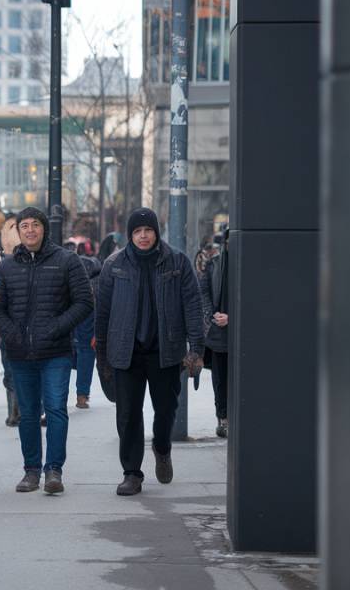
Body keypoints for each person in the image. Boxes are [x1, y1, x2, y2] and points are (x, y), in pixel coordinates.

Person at [94, 207, 206, 497]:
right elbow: (102, 313)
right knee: (128, 414)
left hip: (165, 351)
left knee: (166, 410)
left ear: (156, 232)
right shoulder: (114, 265)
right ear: (130, 235)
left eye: (148, 231)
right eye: (137, 232)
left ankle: (162, 447)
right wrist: (102, 356)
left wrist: (196, 348)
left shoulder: (177, 263)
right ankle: (131, 473)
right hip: (126, 351)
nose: (143, 236)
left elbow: (193, 307)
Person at [0, 207, 93, 496]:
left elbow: (84, 302)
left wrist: (57, 327)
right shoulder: (7, 266)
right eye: (25, 226)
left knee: (56, 409)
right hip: (20, 354)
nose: (30, 230)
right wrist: (11, 334)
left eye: (35, 225)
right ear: (18, 232)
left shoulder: (66, 261)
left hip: (56, 352)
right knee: (29, 414)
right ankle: (31, 470)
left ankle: (54, 470)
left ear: (44, 229)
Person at [200, 229, 230, 438]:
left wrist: (233, 317)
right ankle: (223, 417)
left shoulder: (249, 262)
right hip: (218, 333)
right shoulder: (214, 264)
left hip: (240, 331)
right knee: (220, 379)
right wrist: (212, 316)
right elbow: (204, 292)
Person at [0, 213, 21, 426]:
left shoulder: (2, 266)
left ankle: (14, 411)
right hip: (13, 325)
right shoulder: (4, 266)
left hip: (7, 327)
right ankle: (18, 410)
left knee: (10, 368)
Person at [72, 249, 101, 409]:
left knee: (66, 356)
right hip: (89, 322)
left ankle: (59, 399)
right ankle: (82, 396)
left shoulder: (72, 279)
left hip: (73, 318)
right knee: (85, 354)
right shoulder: (98, 281)